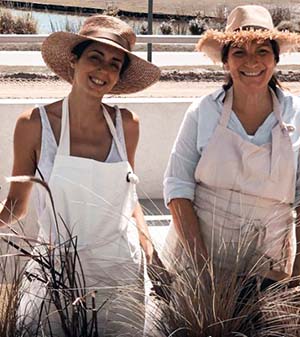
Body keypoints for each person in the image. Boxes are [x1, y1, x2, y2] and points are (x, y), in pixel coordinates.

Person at [0, 15, 160, 335]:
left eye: (115, 63)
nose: (103, 70)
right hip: (57, 276)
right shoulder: (34, 123)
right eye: (95, 57)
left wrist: (152, 253)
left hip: (121, 272)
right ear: (74, 60)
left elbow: (128, 198)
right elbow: (17, 205)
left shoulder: (126, 124)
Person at [164, 5, 300, 298]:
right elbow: (177, 188)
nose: (252, 61)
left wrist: (296, 276)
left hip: (270, 261)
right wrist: (203, 269)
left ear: (276, 58)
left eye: (262, 50)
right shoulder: (204, 111)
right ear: (226, 61)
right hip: (202, 254)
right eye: (239, 51)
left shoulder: (296, 113)